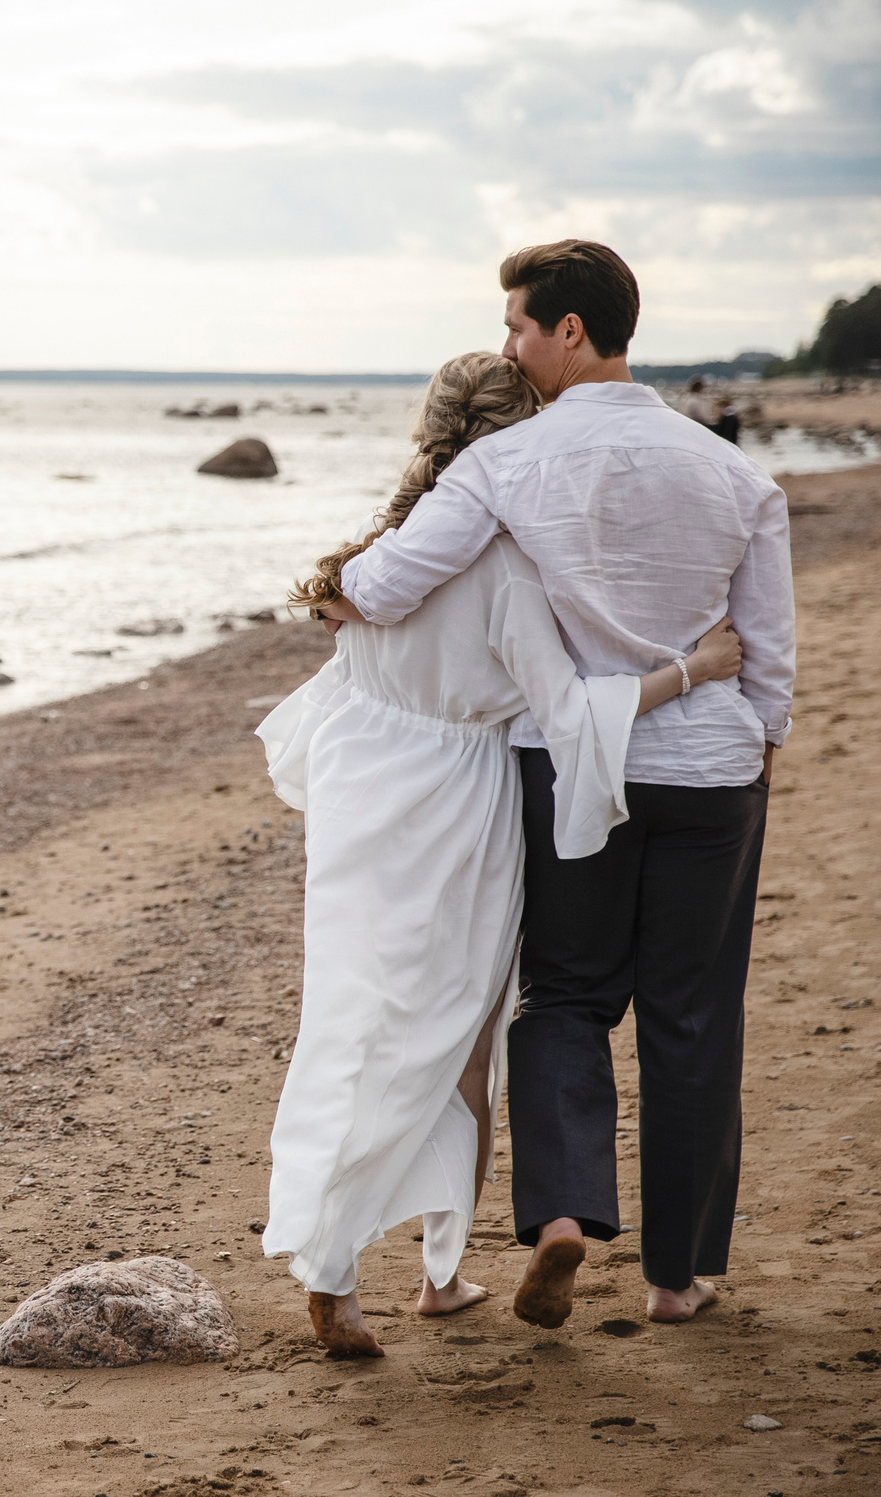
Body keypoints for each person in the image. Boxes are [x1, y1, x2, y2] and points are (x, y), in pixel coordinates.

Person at [324, 240, 795, 1330]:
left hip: (572, 769)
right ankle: (677, 1279)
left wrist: (338, 586)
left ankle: (564, 1219)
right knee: (691, 1014)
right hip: (711, 770)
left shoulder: (506, 464)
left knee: (565, 1000)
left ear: (568, 332)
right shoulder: (732, 472)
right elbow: (766, 651)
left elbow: (390, 582)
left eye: (518, 329)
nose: (509, 349)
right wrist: (753, 752)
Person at [254, 349, 744, 1357]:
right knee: (456, 1042)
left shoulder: (373, 564)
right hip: (460, 805)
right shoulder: (509, 571)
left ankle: (359, 1276)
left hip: (361, 803)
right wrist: (691, 670)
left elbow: (335, 697)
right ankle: (424, 1275)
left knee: (355, 1021)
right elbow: (567, 718)